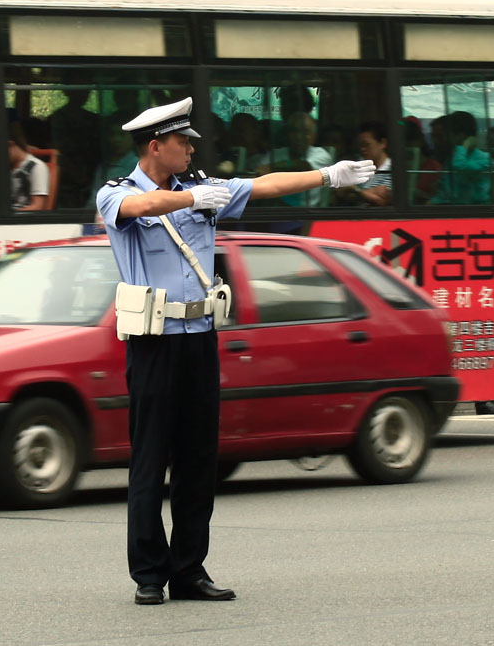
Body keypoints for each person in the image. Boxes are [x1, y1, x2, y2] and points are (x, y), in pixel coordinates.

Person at [96, 97, 374, 606]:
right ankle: (149, 575)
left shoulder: (200, 186)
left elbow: (266, 185)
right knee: (150, 460)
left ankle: (188, 569)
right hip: (154, 344)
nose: (189, 149)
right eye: (182, 142)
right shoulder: (117, 193)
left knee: (199, 461)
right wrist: (191, 201)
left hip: (200, 339)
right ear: (155, 146)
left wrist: (328, 177)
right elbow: (143, 207)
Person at [254, 112, 334, 206]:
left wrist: (272, 167)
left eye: (306, 132)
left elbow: (304, 166)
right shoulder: (276, 154)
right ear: (287, 134)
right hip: (277, 211)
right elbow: (258, 171)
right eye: (294, 131)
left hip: (308, 214)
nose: (299, 137)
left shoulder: (322, 155)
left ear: (314, 136)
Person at [0, 122, 49, 212]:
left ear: (10, 145)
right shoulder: (6, 170)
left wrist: (3, 212)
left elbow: (38, 207)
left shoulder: (37, 167)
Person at [335, 120, 391, 207]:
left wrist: (354, 189)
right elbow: (341, 192)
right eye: (361, 145)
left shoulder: (392, 171)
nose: (362, 149)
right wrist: (364, 193)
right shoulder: (361, 166)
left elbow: (380, 201)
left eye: (367, 144)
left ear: (382, 143)